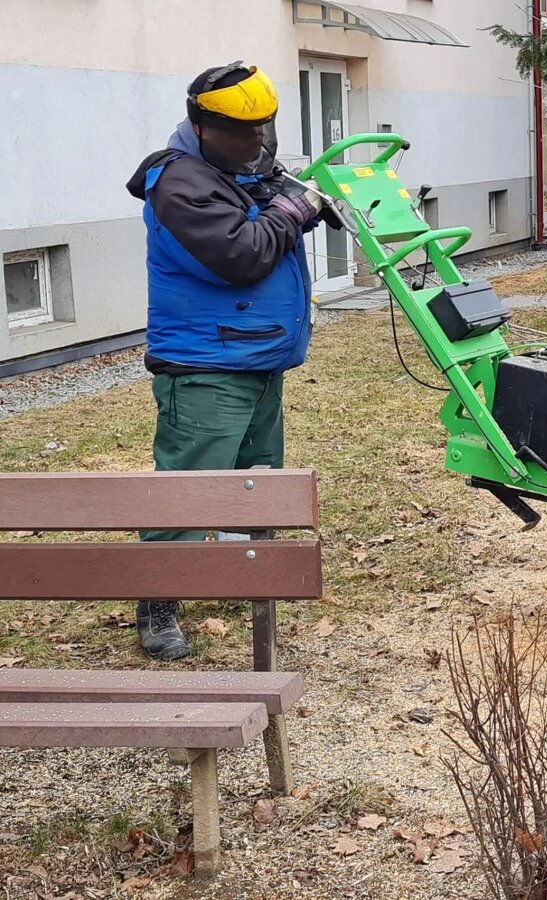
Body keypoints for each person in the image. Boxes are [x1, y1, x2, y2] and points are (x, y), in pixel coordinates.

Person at [125, 62, 326, 661]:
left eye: (266, 127)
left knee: (255, 481)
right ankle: (157, 601)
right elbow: (242, 254)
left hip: (256, 356)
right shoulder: (179, 183)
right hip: (207, 365)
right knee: (188, 490)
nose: (260, 142)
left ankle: (245, 574)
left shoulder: (236, 169)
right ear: (202, 127)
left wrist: (300, 205)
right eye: (245, 131)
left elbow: (270, 223)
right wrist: (292, 212)